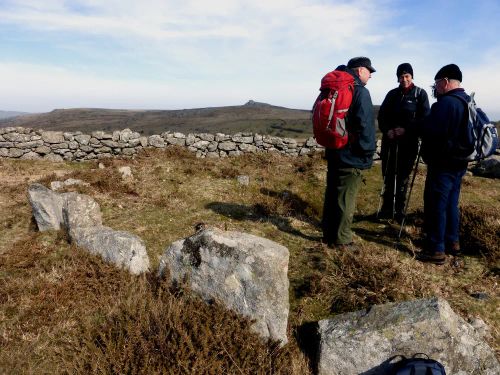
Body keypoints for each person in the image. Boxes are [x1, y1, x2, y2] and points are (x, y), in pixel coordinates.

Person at [322, 57, 377, 249]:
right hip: (351, 153)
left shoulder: (333, 88)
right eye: (369, 71)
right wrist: (368, 152)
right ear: (360, 70)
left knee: (333, 193)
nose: (370, 76)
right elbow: (366, 125)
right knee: (346, 197)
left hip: (334, 148)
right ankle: (342, 240)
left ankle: (328, 233)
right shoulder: (360, 92)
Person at [418, 64, 469, 265]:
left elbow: (432, 131)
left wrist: (416, 128)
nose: (435, 87)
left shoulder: (445, 104)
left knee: (436, 203)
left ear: (445, 82)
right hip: (460, 162)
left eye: (437, 83)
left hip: (443, 163)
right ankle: (452, 241)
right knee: (451, 203)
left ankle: (436, 248)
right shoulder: (467, 101)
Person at [377, 63, 430, 221]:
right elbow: (382, 116)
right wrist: (387, 130)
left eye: (407, 76)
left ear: (412, 76)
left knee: (402, 177)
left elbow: (424, 119)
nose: (404, 79)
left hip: (408, 143)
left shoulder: (420, 94)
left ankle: (399, 211)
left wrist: (407, 129)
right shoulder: (392, 94)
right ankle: (386, 210)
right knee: (388, 175)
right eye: (401, 76)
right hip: (390, 141)